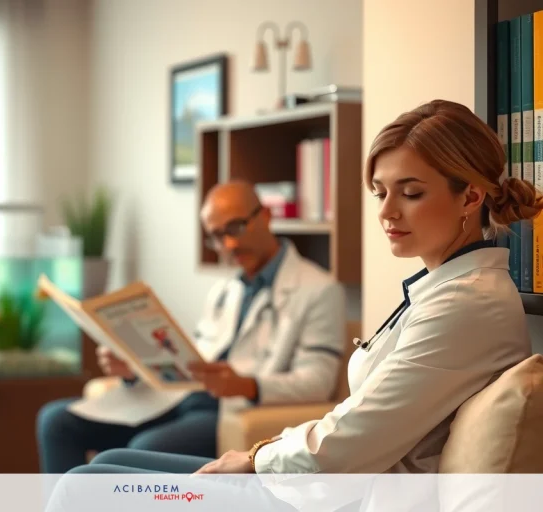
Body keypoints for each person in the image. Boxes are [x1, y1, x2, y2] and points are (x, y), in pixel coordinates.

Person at [58, 99, 537, 481]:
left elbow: (351, 440)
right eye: (380, 192)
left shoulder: (464, 304)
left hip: (343, 493)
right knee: (101, 466)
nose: (387, 212)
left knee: (87, 484)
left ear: (471, 196)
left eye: (410, 193)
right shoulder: (443, 288)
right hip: (324, 480)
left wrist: (256, 456)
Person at [36, 180, 347, 473]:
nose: (229, 244)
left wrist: (247, 385)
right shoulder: (225, 289)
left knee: (143, 449)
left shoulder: (319, 290)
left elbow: (318, 381)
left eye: (236, 227)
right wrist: (134, 370)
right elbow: (192, 360)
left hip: (225, 414)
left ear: (265, 216)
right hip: (181, 399)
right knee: (55, 422)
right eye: (216, 235)